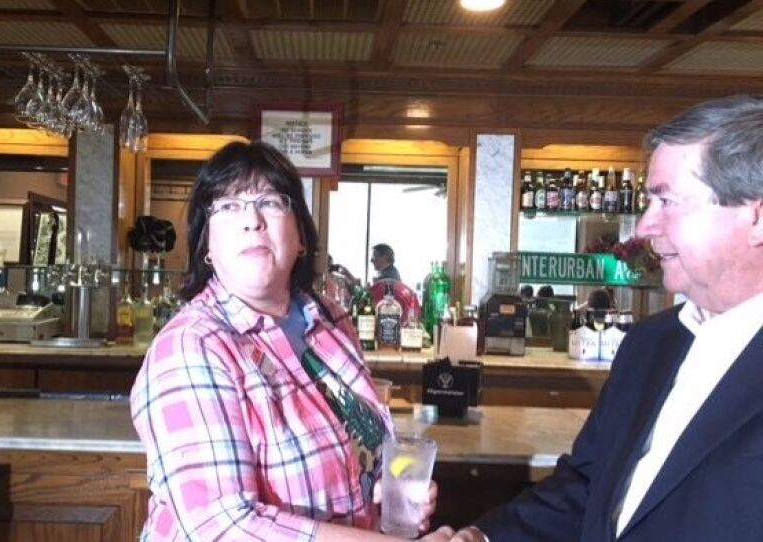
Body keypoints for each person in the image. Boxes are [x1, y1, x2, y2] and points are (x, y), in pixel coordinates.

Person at [447, 94, 763, 542]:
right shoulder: (650, 342)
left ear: (757, 217)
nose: (645, 227)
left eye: (667, 201)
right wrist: (483, 538)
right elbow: (588, 486)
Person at [131, 141, 441, 542]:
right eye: (227, 206)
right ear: (206, 245)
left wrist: (383, 491)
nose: (252, 220)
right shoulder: (191, 347)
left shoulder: (329, 318)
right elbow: (224, 527)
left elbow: (359, 452)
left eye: (271, 202)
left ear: (301, 237)